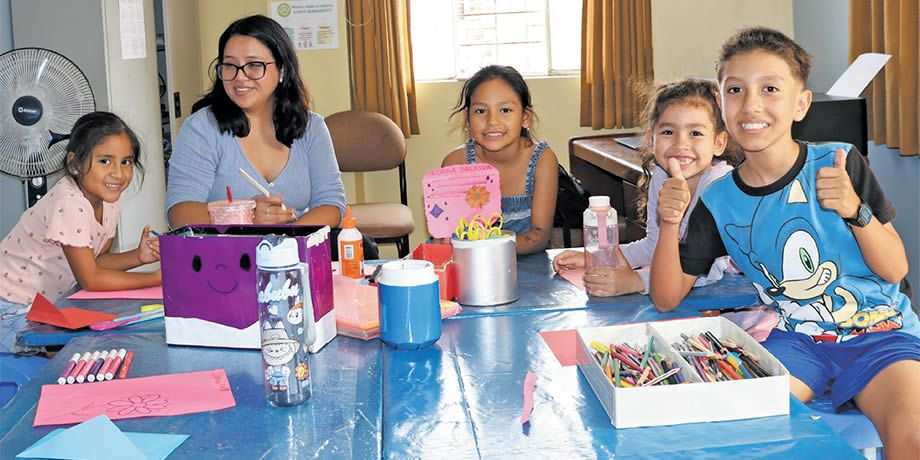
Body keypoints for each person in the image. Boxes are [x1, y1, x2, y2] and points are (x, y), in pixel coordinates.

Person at [650, 27, 920, 457]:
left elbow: (896, 269)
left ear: (801, 104)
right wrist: (669, 222)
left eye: (770, 88)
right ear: (721, 104)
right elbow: (666, 297)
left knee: (911, 439)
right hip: (798, 341)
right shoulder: (719, 202)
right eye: (735, 89)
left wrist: (855, 210)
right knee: (743, 437)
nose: (751, 104)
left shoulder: (839, 161)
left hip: (881, 335)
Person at [553, 79, 740, 297]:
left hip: (735, 296)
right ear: (652, 139)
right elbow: (654, 246)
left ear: (719, 142)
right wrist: (599, 257)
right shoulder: (661, 176)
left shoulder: (720, 186)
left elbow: (710, 271)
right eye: (668, 132)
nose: (681, 144)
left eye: (695, 133)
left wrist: (636, 281)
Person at [0, 112, 160, 352]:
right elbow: (91, 278)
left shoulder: (108, 198)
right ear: (75, 164)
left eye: (126, 161)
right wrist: (157, 279)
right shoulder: (69, 202)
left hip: (45, 305)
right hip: (10, 308)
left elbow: (95, 262)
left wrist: (137, 257)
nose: (118, 173)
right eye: (105, 161)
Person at [166, 14, 345, 228]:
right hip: (225, 257)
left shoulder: (312, 127)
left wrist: (286, 243)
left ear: (282, 71)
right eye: (230, 65)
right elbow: (179, 213)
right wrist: (245, 216)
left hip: (298, 255)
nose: (240, 77)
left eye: (254, 65)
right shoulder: (201, 128)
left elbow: (331, 204)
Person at [441, 65, 558, 255]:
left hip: (524, 266)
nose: (492, 121)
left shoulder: (542, 160)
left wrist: (486, 248)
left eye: (505, 110)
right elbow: (445, 236)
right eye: (480, 111)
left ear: (525, 118)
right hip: (468, 265)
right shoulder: (455, 163)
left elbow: (539, 237)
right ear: (467, 119)